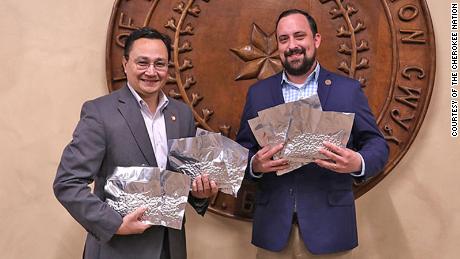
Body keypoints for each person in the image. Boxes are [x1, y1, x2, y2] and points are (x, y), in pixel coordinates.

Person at [236, 9, 389, 258]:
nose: (292, 45)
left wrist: (357, 162)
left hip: (330, 230)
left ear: (316, 40)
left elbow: (377, 144)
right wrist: (255, 165)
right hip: (273, 231)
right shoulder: (258, 93)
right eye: (284, 39)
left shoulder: (347, 91)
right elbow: (243, 151)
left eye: (299, 36)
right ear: (277, 45)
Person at [53, 27, 218, 259]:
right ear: (125, 64)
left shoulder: (182, 115)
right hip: (119, 249)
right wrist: (114, 224)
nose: (151, 71)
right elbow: (67, 183)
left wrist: (200, 194)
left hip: (170, 248)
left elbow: (182, 180)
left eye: (160, 64)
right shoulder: (100, 112)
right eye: (143, 62)